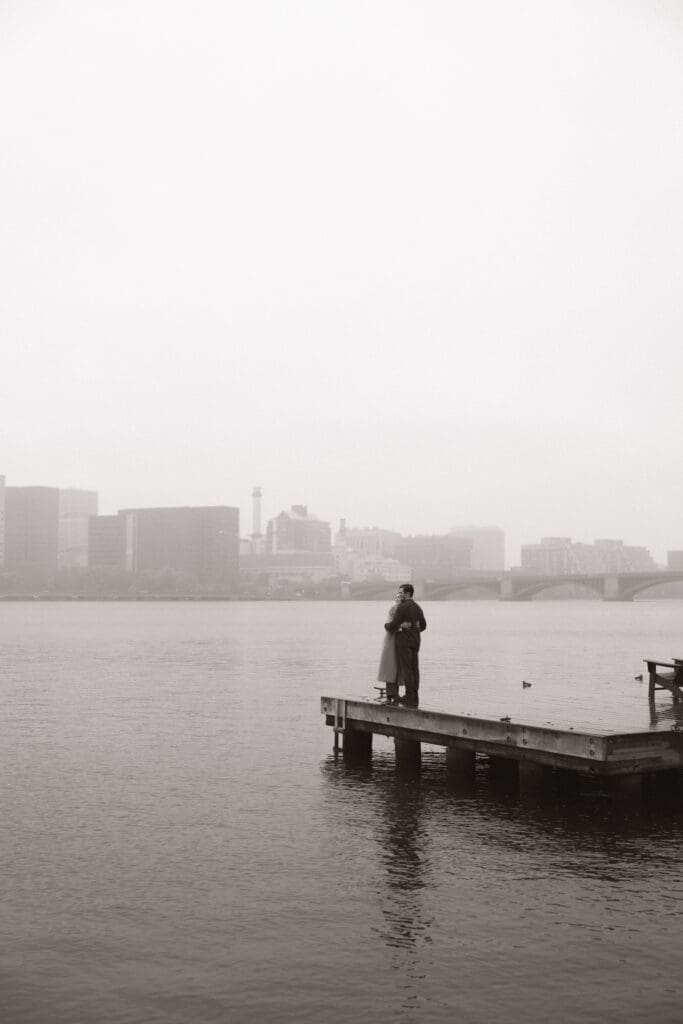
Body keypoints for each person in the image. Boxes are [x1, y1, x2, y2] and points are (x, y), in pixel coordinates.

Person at [384, 583, 427, 706]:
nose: (400, 594)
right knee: (415, 669)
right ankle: (415, 697)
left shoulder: (402, 607)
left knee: (407, 670)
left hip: (404, 642)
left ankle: (409, 697)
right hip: (416, 641)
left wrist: (386, 625)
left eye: (401, 593)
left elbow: (393, 625)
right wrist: (414, 628)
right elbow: (423, 626)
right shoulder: (417, 607)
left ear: (407, 593)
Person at [377, 598, 400, 701]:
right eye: (397, 597)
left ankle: (393, 694)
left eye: (400, 596)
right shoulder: (393, 609)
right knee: (391, 668)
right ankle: (392, 694)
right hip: (391, 642)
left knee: (395, 668)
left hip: (396, 642)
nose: (399, 599)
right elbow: (389, 626)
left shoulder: (401, 609)